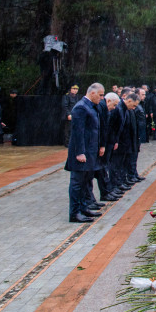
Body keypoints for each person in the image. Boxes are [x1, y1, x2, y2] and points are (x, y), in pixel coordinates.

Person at [65, 83, 104, 223]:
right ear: (92, 93)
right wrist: (80, 152)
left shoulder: (90, 106)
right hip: (81, 154)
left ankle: (83, 207)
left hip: (90, 152)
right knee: (77, 183)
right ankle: (74, 213)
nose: (101, 98)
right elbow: (77, 132)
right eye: (100, 95)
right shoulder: (81, 107)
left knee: (85, 182)